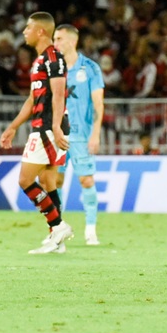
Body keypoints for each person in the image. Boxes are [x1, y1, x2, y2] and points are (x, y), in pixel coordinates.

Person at [0, 12, 73, 254]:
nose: (24, 32)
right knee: (48, 181)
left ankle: (58, 226)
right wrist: (13, 126)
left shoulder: (54, 58)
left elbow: (59, 94)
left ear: (41, 31)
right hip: (46, 127)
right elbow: (33, 99)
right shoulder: (40, 60)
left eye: (28, 27)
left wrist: (55, 126)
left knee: (25, 180)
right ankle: (57, 239)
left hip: (48, 129)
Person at [52, 24, 105, 245]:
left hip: (82, 135)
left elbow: (98, 104)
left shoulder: (90, 68)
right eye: (54, 39)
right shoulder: (52, 68)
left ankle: (90, 229)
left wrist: (96, 134)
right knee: (55, 181)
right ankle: (57, 230)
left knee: (86, 179)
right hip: (58, 135)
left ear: (72, 41)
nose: (55, 43)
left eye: (59, 39)